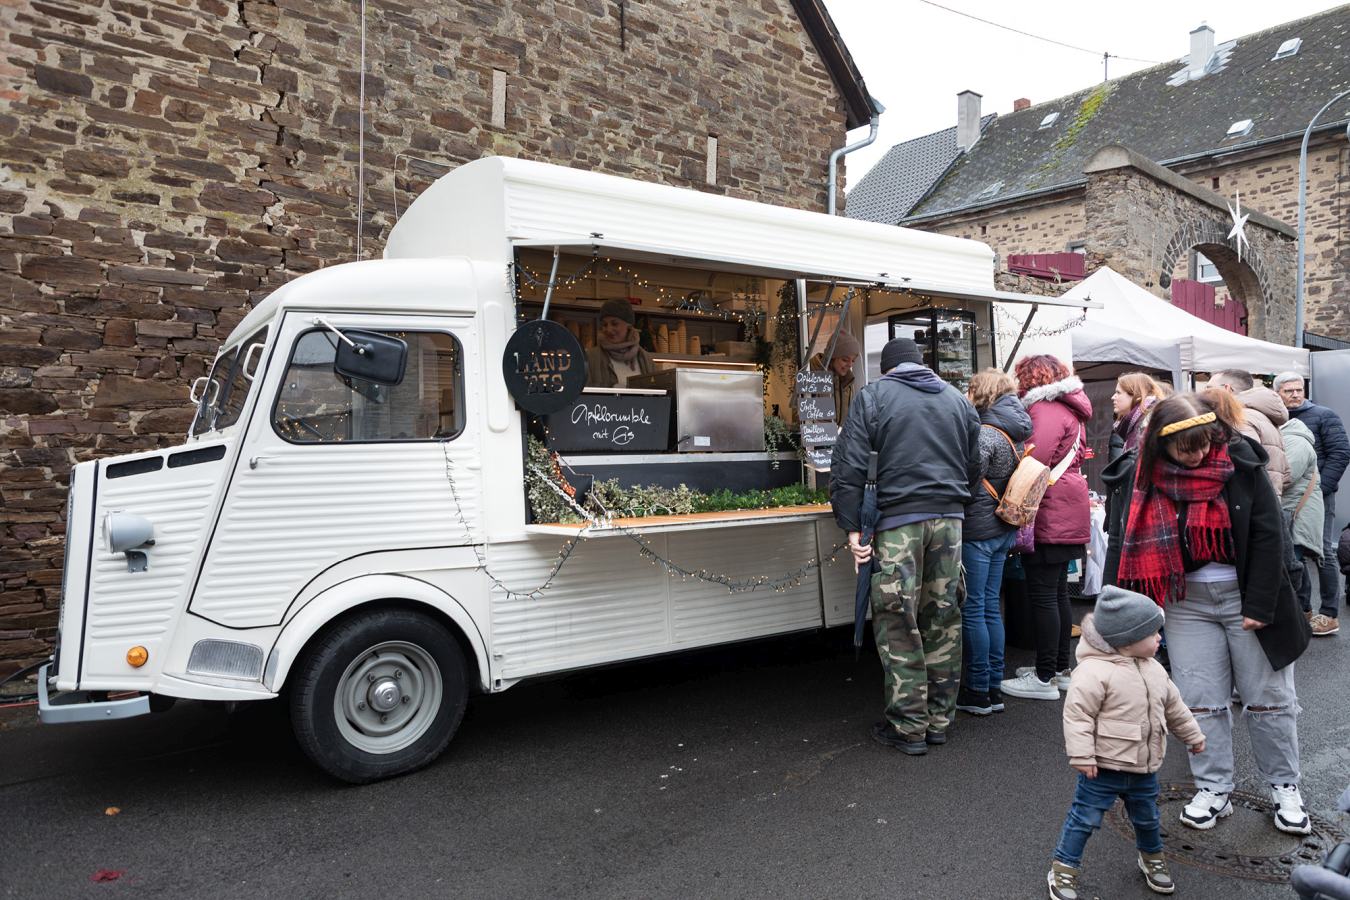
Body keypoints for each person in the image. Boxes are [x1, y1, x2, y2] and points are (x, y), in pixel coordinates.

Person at [1101, 393, 1312, 836]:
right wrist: (1118, 612)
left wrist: (1260, 604)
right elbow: (1121, 541)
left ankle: (1284, 786)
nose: (1197, 455)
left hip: (1246, 598)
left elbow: (1269, 535)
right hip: (1184, 603)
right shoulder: (1142, 473)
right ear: (1161, 445)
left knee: (1269, 700)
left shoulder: (1240, 464)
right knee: (1200, 702)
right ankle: (1213, 788)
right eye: (1185, 449)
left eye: (1202, 444)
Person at [831, 337, 981, 755]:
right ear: (922, 365)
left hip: (898, 523)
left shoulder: (873, 397)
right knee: (944, 618)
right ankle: (939, 721)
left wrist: (852, 528)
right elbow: (974, 466)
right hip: (950, 522)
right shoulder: (958, 400)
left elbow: (849, 465)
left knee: (898, 620)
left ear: (887, 370)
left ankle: (909, 727)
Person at [1047, 586, 1206, 900]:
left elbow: (1175, 708)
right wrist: (1082, 755)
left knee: (1148, 818)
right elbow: (1078, 715)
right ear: (1127, 639)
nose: (1159, 638)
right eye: (1153, 633)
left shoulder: (1155, 669)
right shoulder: (1094, 672)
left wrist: (1193, 736)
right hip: (1102, 768)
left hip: (1144, 768)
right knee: (1084, 819)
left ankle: (1151, 857)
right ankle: (1064, 867)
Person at [1001, 355, 1092, 702]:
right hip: (1068, 507)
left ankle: (1043, 678)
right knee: (1057, 593)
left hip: (1050, 509)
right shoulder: (1071, 408)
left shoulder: (1046, 409)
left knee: (1043, 595)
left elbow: (1034, 460)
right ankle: (1058, 669)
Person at [958, 368, 1033, 716]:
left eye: (971, 389)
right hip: (1003, 529)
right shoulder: (1015, 431)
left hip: (979, 531)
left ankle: (977, 690)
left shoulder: (986, 433)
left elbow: (968, 483)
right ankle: (992, 686)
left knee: (974, 608)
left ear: (982, 393)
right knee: (990, 606)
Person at [1275, 371, 1350, 636]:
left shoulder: (1324, 415)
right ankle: (1303, 608)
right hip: (1288, 497)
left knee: (1322, 552)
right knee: (1294, 550)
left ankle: (1329, 614)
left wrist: (1320, 488)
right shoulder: (1276, 418)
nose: (1295, 394)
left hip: (1317, 496)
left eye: (1299, 389)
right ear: (1278, 393)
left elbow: (1340, 453)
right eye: (1289, 391)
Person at [1208, 369, 1290, 496]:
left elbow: (1244, 467)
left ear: (1227, 389)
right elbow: (1286, 474)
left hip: (1249, 501)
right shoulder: (1260, 414)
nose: (1205, 394)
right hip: (1266, 498)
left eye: (1209, 389)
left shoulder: (1240, 418)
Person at [1280, 416, 1325, 624]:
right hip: (1293, 510)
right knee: (1296, 562)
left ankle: (1296, 614)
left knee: (1292, 563)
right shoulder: (1289, 437)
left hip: (1297, 512)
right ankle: (1302, 611)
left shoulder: (1296, 440)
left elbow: (1286, 477)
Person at [585, 299, 655, 388]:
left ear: (629, 326)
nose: (608, 329)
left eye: (614, 324)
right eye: (605, 325)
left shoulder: (646, 360)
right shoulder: (590, 358)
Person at [1110, 372, 1165, 461]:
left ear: (1136, 394)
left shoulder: (1148, 423)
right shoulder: (1135, 424)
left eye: (1118, 393)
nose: (1113, 397)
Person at [809, 330, 861, 424]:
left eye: (853, 360)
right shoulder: (811, 374)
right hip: (818, 433)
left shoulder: (847, 381)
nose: (850, 365)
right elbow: (799, 416)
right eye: (845, 360)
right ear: (832, 357)